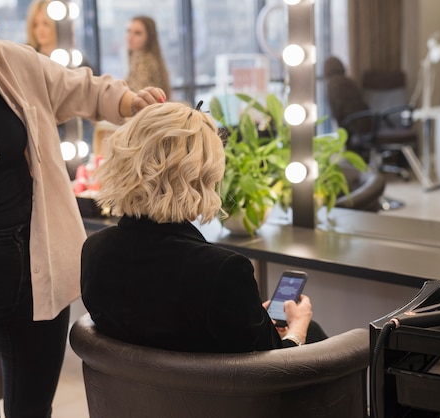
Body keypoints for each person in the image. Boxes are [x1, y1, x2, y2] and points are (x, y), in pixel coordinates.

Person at [0, 1, 166, 416]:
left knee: (34, 409)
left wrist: (131, 102)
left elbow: (82, 89)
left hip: (37, 272)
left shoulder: (9, 62)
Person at [81, 102, 326, 353]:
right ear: (203, 175)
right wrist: (298, 329)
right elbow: (270, 372)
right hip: (220, 393)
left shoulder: (95, 251)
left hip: (132, 391)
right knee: (314, 331)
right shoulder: (222, 272)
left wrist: (248, 315)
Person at [125, 16, 172, 99]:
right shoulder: (150, 57)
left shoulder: (143, 61)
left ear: (149, 37)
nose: (130, 37)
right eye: (128, 31)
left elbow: (138, 97)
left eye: (137, 33)